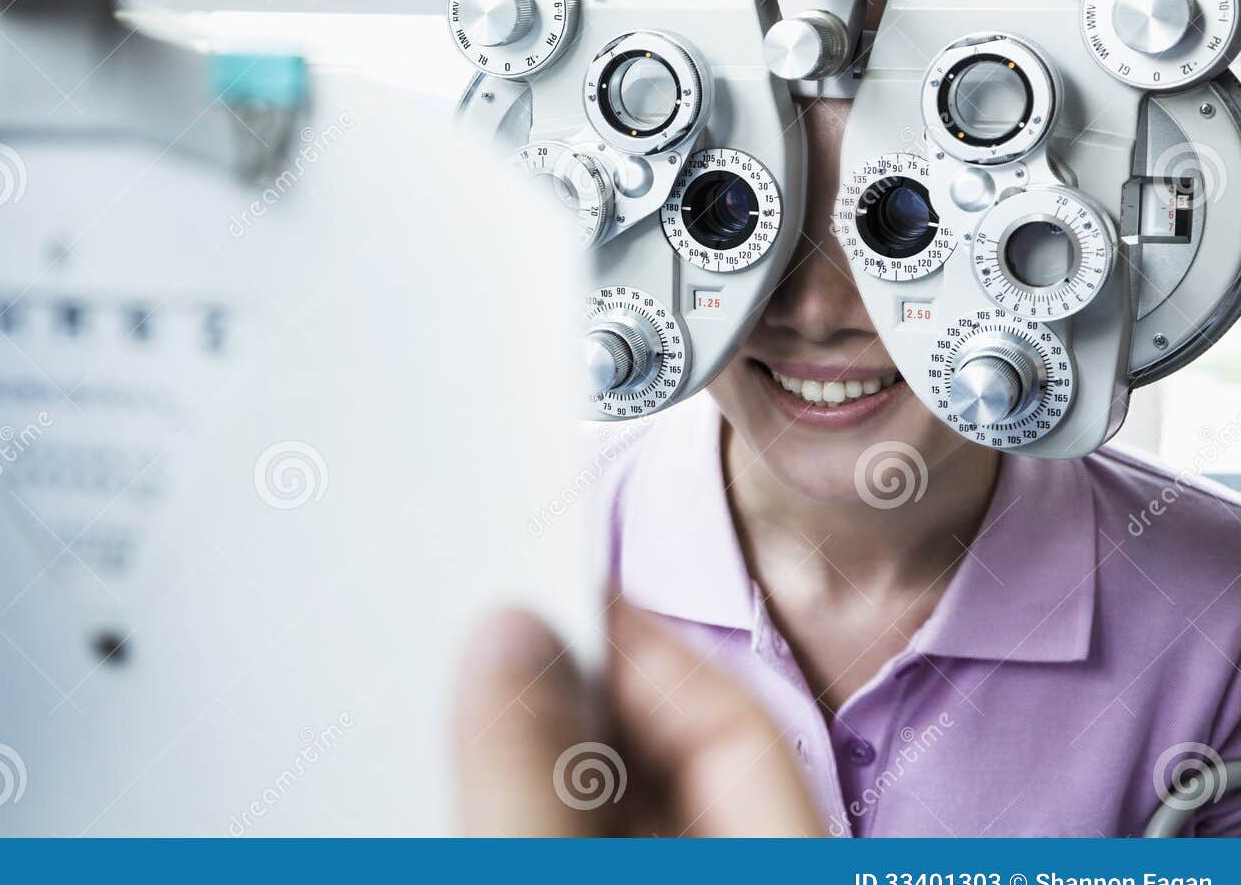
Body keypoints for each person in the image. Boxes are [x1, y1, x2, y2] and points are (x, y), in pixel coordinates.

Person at [458, 95, 1241, 837]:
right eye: (732, 215)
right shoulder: (499, 575)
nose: (816, 309)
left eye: (906, 219)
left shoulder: (1221, 611)